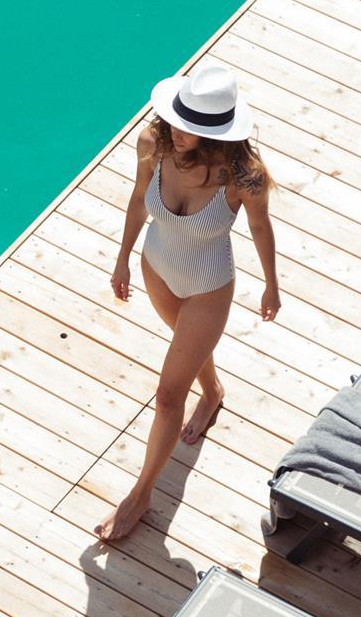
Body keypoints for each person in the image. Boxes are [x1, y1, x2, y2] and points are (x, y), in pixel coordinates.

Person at [94, 63, 278, 543]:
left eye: (190, 127)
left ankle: (141, 494)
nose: (177, 132)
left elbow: (260, 227)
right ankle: (213, 393)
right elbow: (139, 199)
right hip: (157, 268)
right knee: (186, 349)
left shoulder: (244, 178)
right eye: (177, 119)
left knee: (167, 395)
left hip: (207, 287)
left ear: (216, 133)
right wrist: (122, 259)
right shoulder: (152, 145)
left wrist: (271, 284)